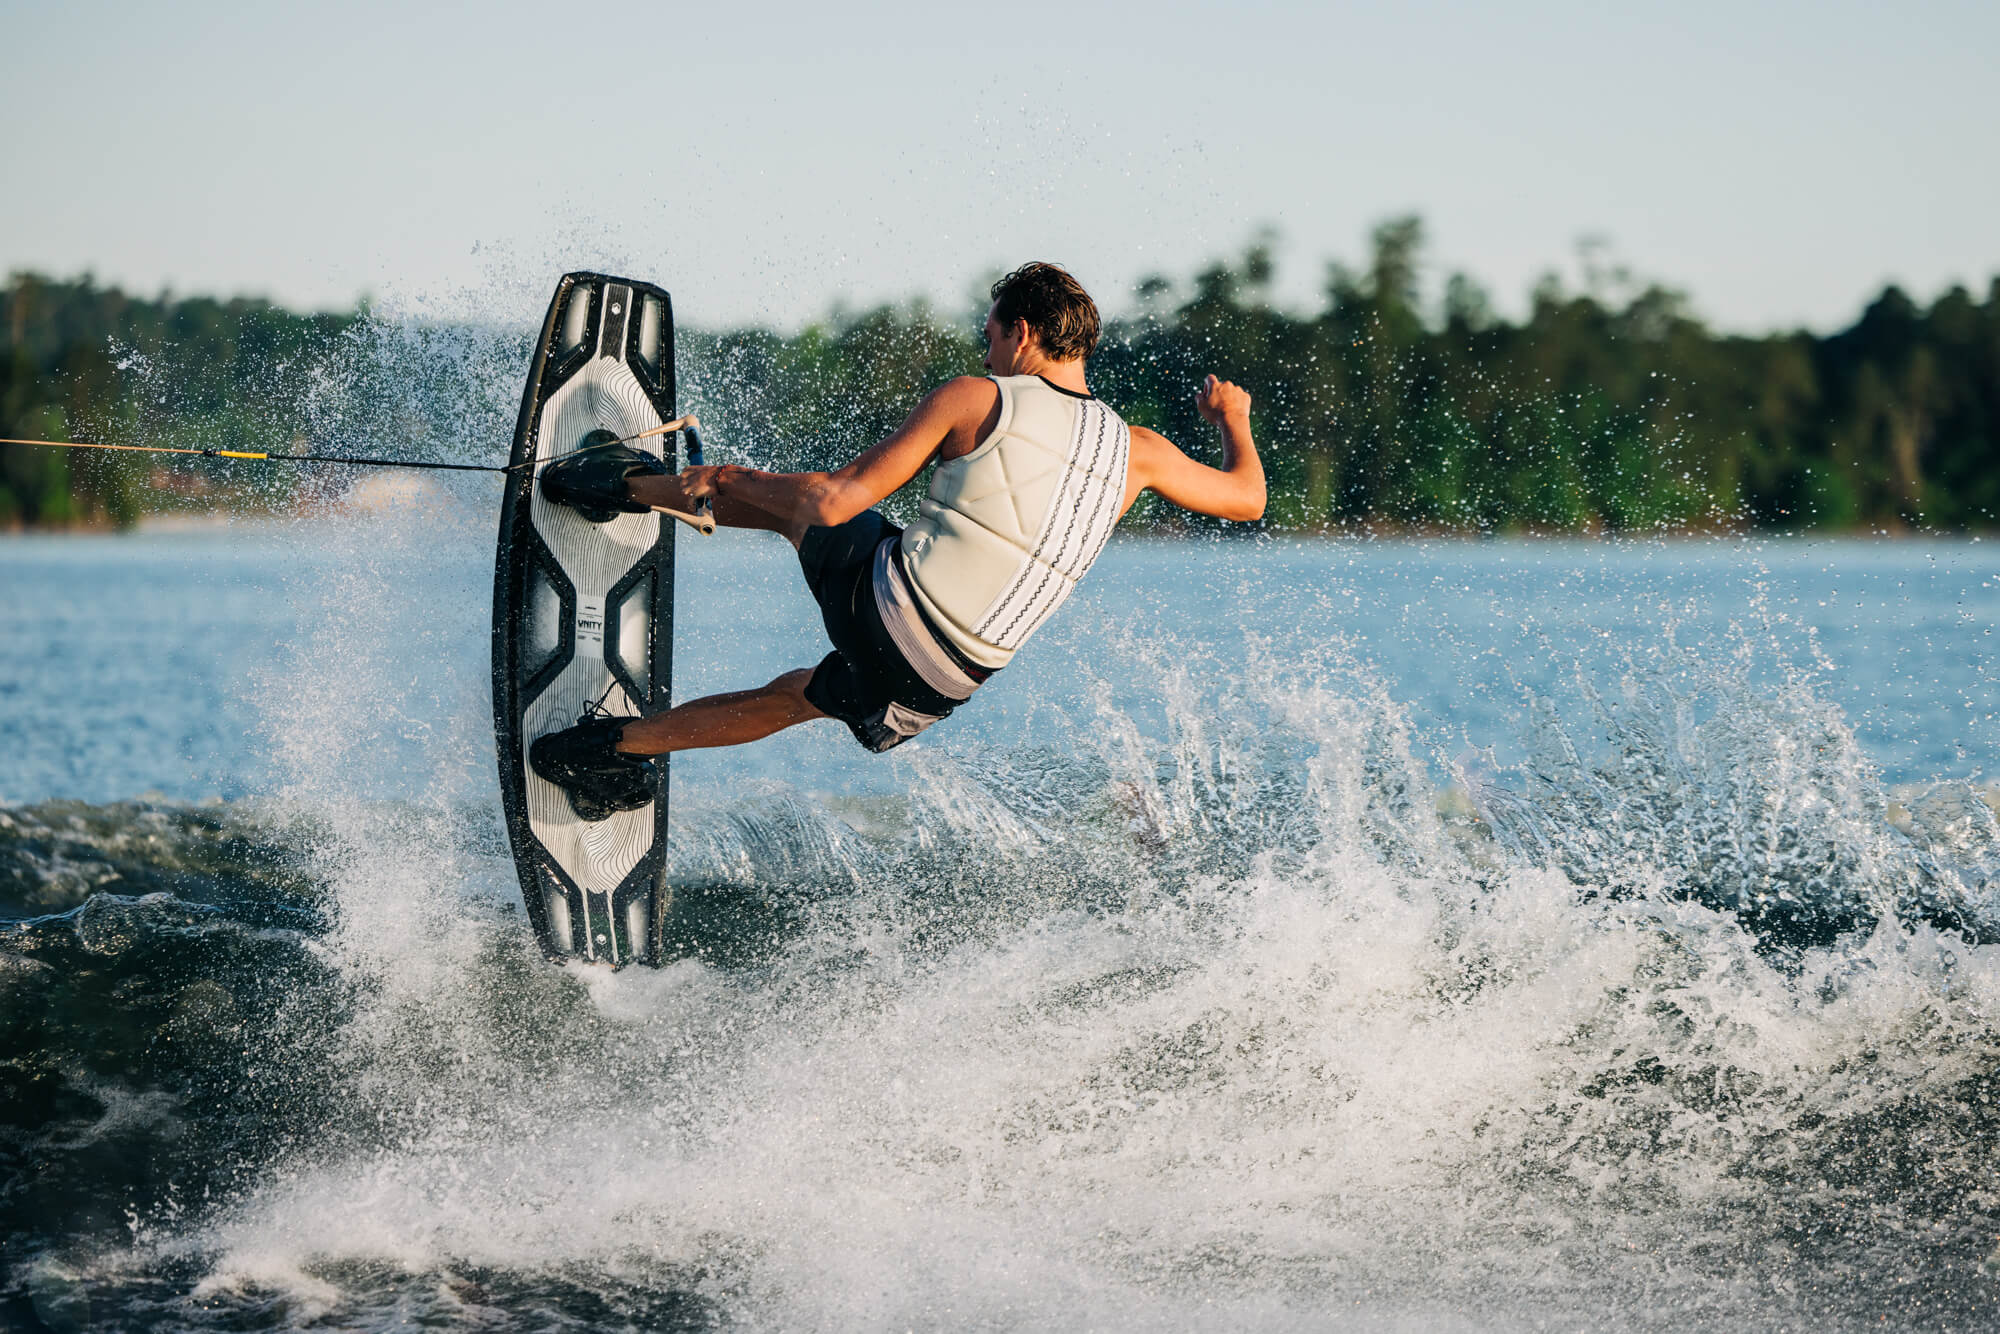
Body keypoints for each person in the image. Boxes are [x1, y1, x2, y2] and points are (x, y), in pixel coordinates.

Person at [530, 261, 1265, 821]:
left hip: (889, 612)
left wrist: (727, 475)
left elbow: (832, 499)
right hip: (946, 685)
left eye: (990, 337)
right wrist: (1233, 417)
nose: (986, 353)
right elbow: (1249, 498)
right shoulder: (1142, 451)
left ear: (1023, 333)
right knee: (796, 699)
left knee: (804, 509)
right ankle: (607, 753)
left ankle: (616, 485)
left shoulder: (980, 397)